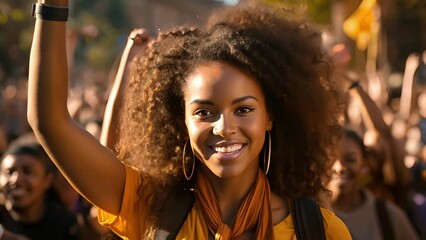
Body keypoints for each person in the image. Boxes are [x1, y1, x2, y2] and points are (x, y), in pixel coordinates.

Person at [28, 1, 351, 239]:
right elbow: (50, 121)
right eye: (204, 112)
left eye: (243, 109)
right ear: (180, 120)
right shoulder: (151, 207)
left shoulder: (320, 230)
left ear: (270, 117)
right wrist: (52, 7)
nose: (224, 127)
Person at [328, 128, 419, 240]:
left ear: (364, 164)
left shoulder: (388, 216)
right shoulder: (310, 216)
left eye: (350, 160)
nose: (340, 167)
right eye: (331, 159)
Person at [0, 135, 77, 240]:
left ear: (47, 180)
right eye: (9, 172)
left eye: (27, 171)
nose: (16, 180)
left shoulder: (66, 225)